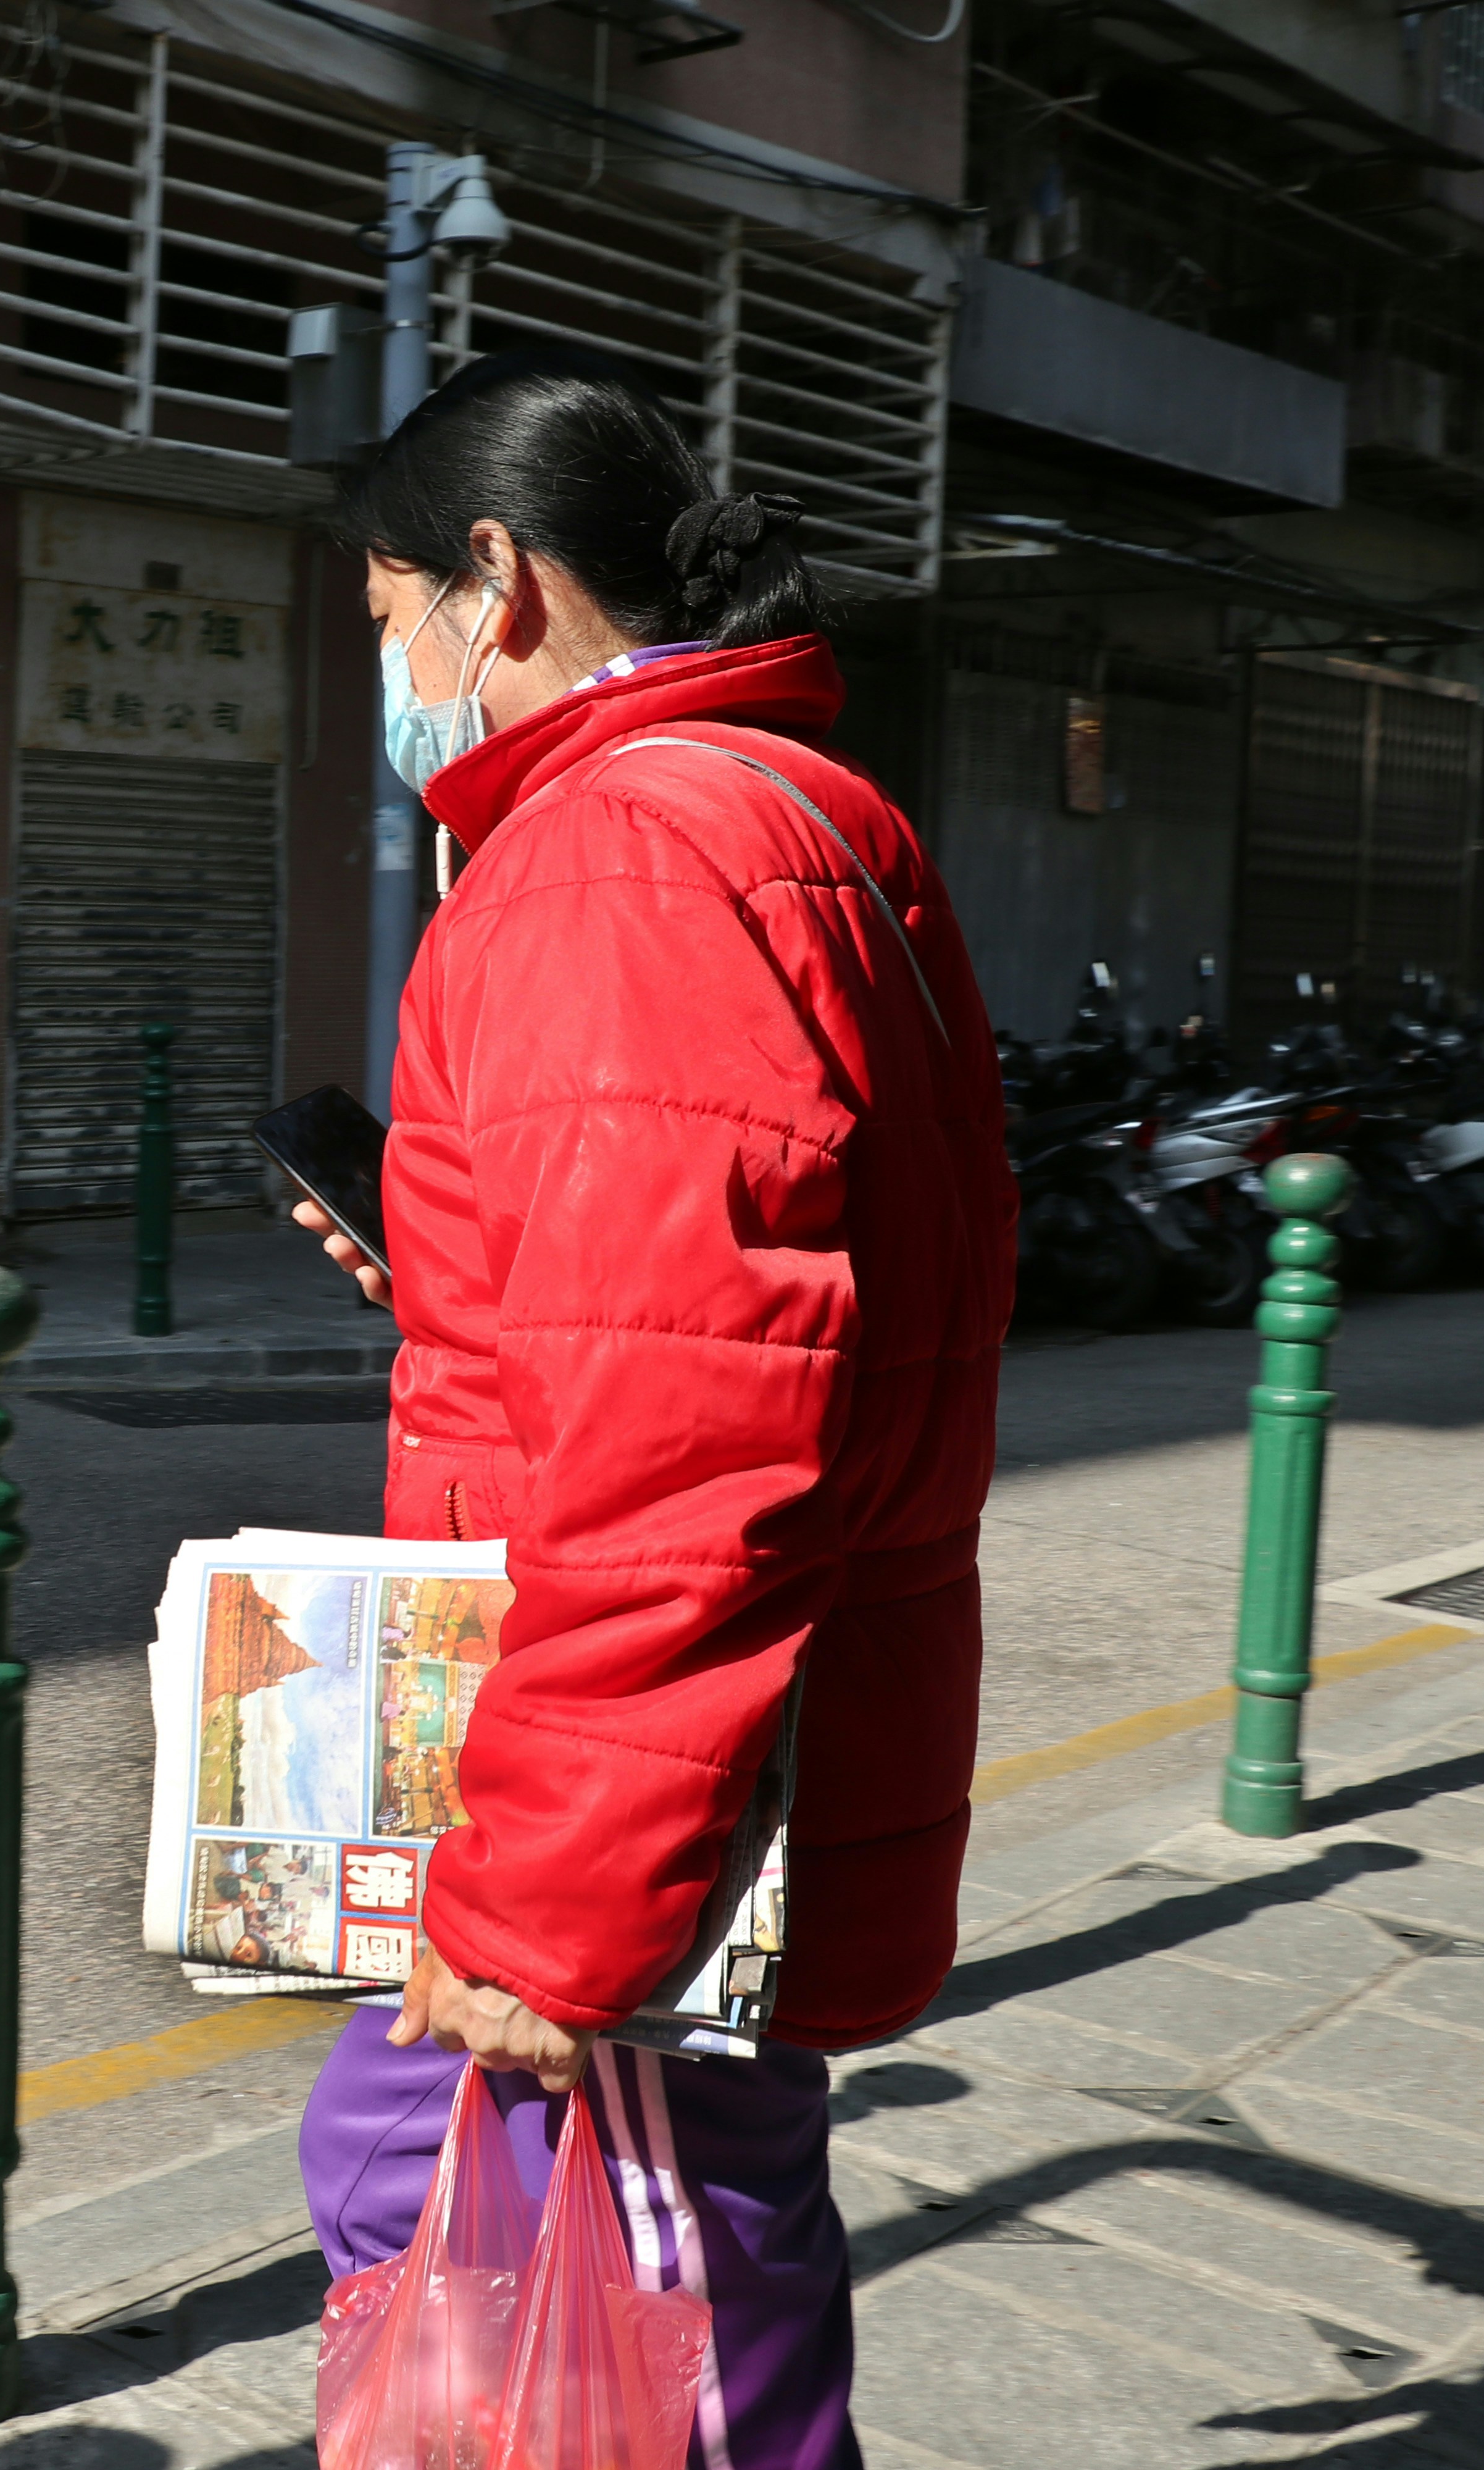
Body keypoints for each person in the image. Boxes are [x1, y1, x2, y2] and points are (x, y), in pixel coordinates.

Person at [288, 348, 1014, 2470]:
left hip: (631, 1797)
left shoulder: (622, 852)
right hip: (736, 1748)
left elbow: (699, 1434)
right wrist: (466, 1276)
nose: (399, 681)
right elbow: (760, 1312)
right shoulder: (794, 809)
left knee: (548, 2265)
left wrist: (552, 1904)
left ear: (495, 580)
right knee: (711, 2265)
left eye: (392, 622)